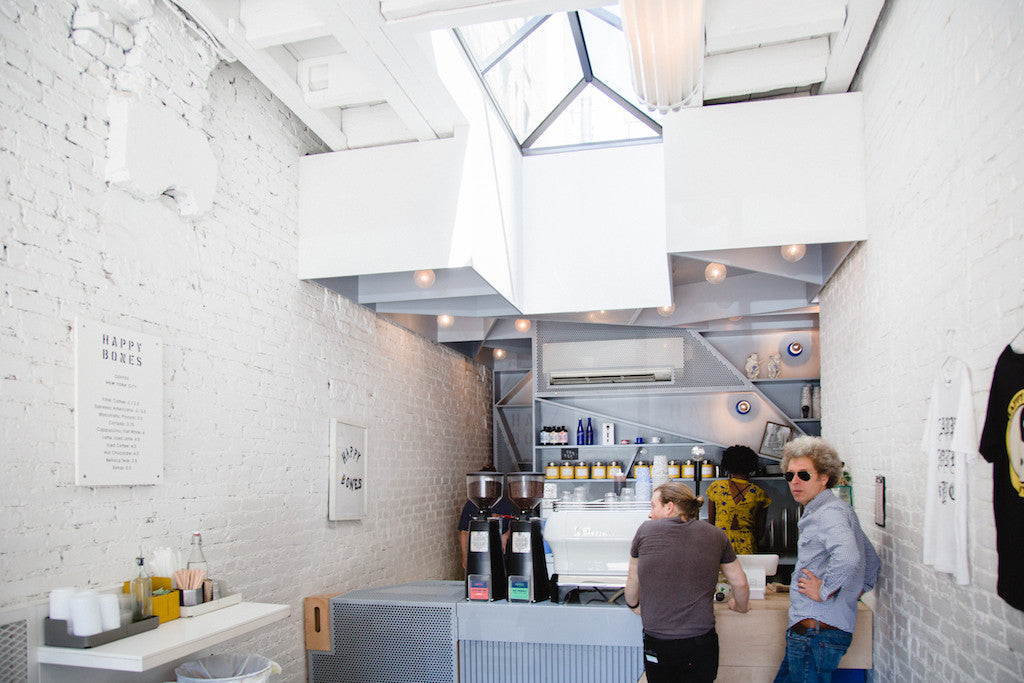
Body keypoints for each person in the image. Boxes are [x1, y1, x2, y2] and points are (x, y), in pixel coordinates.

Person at [774, 437, 880, 683]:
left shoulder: (828, 513)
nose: (795, 482)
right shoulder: (835, 510)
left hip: (815, 634)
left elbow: (849, 556)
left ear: (824, 478)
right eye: (790, 476)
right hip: (815, 633)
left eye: (804, 475)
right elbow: (871, 562)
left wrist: (826, 590)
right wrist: (847, 593)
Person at [625, 482, 750, 683]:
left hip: (658, 641)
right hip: (700, 642)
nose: (650, 513)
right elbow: (740, 583)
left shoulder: (645, 531)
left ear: (669, 506)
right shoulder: (716, 534)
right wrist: (741, 605)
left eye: (653, 506)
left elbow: (633, 580)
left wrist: (634, 604)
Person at [706, 445, 772, 554]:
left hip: (721, 544)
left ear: (727, 465)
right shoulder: (759, 494)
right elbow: (760, 533)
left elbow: (711, 525)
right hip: (747, 546)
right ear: (751, 467)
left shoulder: (716, 487)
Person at [458, 465, 516, 569]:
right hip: (477, 553)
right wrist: (464, 556)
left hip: (500, 555)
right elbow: (464, 532)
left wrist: (505, 537)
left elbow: (512, 525)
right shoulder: (471, 505)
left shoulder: (503, 504)